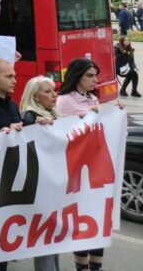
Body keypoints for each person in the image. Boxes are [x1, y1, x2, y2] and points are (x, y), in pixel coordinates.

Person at [55, 58, 124, 271]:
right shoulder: (65, 101)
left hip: (96, 168)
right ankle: (81, 267)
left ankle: (96, 267)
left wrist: (116, 111)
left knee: (98, 220)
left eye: (96, 75)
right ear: (77, 76)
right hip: (78, 171)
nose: (95, 80)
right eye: (90, 76)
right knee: (83, 222)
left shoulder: (92, 97)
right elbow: (65, 134)